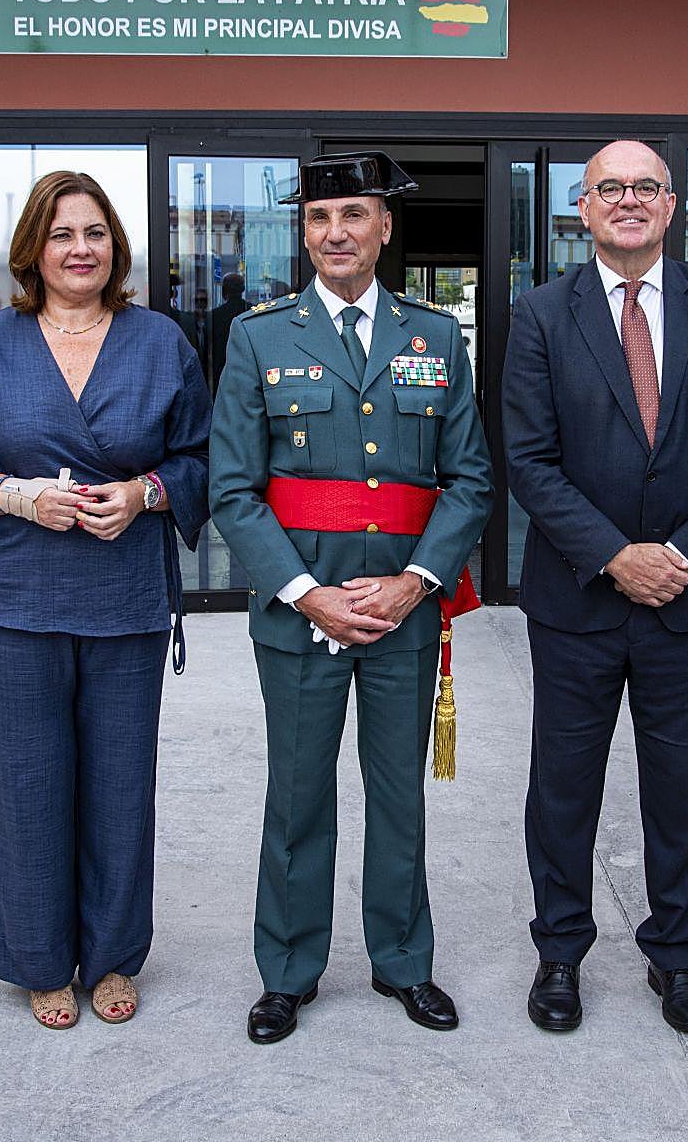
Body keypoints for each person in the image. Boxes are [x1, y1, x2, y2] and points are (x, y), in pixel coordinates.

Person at [209, 151, 493, 1045]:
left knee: (398, 794)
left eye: (354, 216)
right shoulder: (259, 336)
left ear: (384, 227)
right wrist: (306, 595)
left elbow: (471, 480)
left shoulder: (437, 336)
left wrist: (416, 584)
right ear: (305, 232)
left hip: (405, 611)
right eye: (320, 218)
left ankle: (403, 962)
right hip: (302, 615)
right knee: (297, 798)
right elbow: (233, 489)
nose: (336, 233)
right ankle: (288, 971)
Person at [0, 170, 211, 1031]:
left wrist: (147, 494)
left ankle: (114, 954)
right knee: (25, 785)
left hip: (123, 601)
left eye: (93, 233)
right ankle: (40, 960)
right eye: (61, 235)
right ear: (33, 252)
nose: (79, 249)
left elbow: (204, 458)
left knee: (121, 785)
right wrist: (19, 498)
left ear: (114, 246)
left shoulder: (160, 342)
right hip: (17, 603)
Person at [501, 140, 688, 1036]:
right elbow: (529, 462)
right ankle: (560, 953)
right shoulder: (540, 314)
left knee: (679, 782)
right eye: (609, 188)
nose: (627, 200)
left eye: (644, 187)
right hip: (578, 599)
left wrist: (680, 556)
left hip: (686, 602)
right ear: (582, 209)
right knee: (564, 784)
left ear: (672, 206)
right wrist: (617, 555)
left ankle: (675, 956)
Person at [208, 272, 250, 391]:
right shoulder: (253, 311)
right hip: (247, 372)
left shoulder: (215, 315)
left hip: (221, 373)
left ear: (224, 290)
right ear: (242, 289)